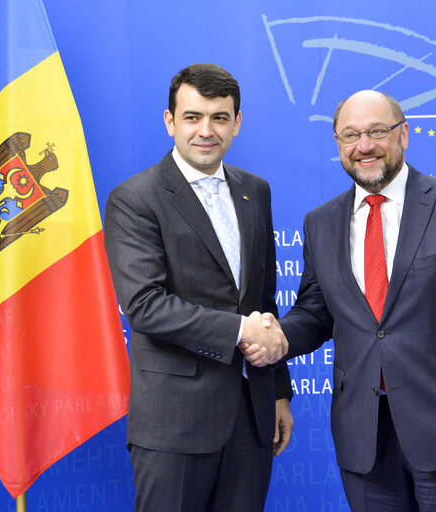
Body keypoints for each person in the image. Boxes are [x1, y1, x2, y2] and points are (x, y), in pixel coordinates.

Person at [245, 90, 436, 511]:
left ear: (403, 135)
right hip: (364, 440)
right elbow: (315, 313)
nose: (364, 146)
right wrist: (274, 338)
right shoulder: (321, 222)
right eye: (351, 136)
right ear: (338, 145)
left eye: (377, 131)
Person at [104, 63, 293, 512]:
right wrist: (242, 331)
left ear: (237, 123)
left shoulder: (256, 191)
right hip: (175, 426)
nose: (206, 130)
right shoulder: (135, 198)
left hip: (252, 417)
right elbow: (144, 306)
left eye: (219, 118)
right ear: (170, 122)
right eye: (192, 117)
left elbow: (264, 301)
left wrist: (279, 393)